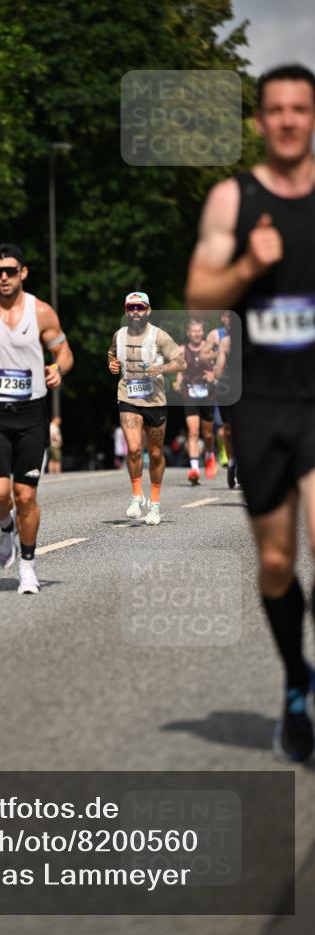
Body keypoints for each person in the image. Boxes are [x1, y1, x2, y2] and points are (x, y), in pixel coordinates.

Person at [185, 63, 315, 762]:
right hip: (261, 403)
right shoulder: (231, 202)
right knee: (273, 561)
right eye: (276, 109)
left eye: (300, 108)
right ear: (260, 120)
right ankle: (296, 682)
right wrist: (248, 267)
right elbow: (200, 298)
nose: (288, 120)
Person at [0, 243, 73, 594]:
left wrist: (57, 369)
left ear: (23, 273)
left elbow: (64, 352)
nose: (3, 277)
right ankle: (6, 527)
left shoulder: (42, 312)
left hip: (31, 414)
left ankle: (28, 568)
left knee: (25, 496)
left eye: (10, 271)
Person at [108, 292, 184, 525]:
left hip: (155, 401)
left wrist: (161, 370)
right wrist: (112, 365)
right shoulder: (119, 335)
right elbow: (112, 354)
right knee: (133, 448)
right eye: (131, 307)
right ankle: (136, 496)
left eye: (140, 307)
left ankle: (155, 503)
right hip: (128, 398)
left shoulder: (159, 336)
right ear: (126, 311)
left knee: (155, 453)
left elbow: (181, 362)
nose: (135, 311)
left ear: (148, 310)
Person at [172, 318, 218, 484]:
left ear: (203, 332)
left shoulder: (210, 348)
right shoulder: (183, 349)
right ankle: (194, 469)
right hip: (190, 393)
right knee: (193, 431)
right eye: (194, 331)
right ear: (188, 333)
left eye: (199, 331)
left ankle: (209, 454)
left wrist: (214, 375)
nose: (197, 334)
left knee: (207, 433)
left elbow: (219, 365)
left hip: (207, 394)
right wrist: (177, 382)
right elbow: (179, 369)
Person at [207, 310, 237, 486]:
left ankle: (238, 460)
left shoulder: (226, 342)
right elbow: (217, 365)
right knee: (228, 428)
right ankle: (233, 460)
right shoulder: (223, 340)